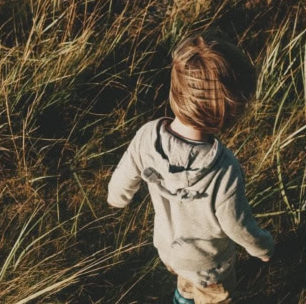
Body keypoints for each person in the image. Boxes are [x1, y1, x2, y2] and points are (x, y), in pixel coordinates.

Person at [107, 33, 275, 304]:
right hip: (211, 267)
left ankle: (183, 298)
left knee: (185, 283)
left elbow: (121, 182)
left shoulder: (147, 137)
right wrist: (262, 247)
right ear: (227, 111)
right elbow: (237, 225)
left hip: (169, 250)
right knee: (214, 297)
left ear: (176, 90)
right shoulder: (223, 169)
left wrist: (117, 198)